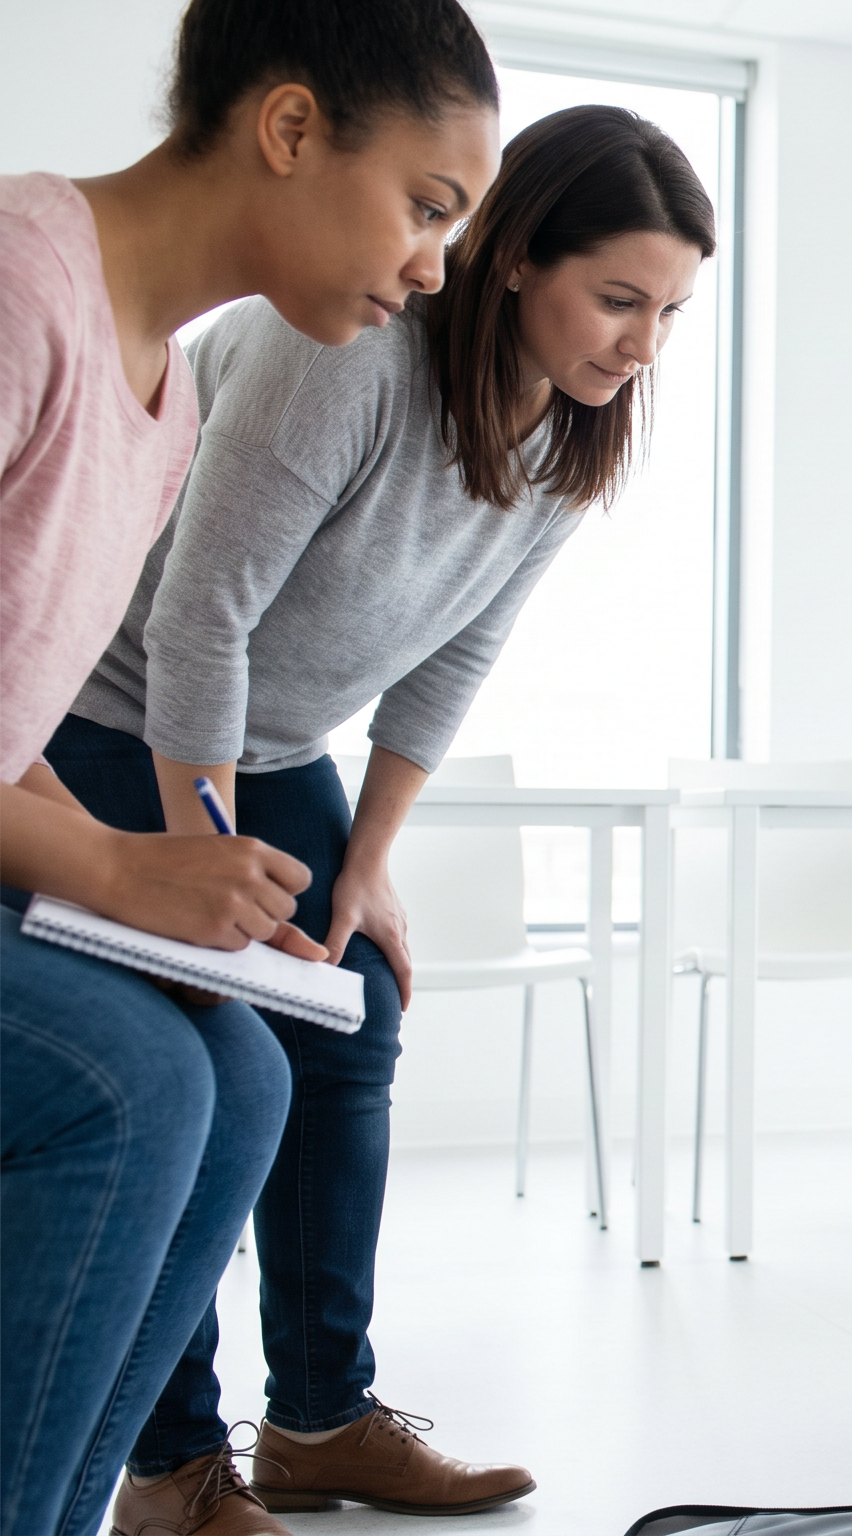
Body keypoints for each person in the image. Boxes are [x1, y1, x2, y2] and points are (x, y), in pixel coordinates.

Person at [36, 104, 713, 1535]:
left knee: (354, 1012)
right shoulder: (341, 354)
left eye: (671, 311)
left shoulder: (566, 430)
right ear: (516, 256)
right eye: (618, 299)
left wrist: (370, 859)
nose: (642, 344)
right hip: (106, 719)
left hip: (277, 742)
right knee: (205, 1042)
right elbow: (196, 620)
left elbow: (455, 655)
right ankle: (169, 1465)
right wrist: (193, 862)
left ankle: (322, 1419)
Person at [0, 5, 501, 1536]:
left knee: (243, 1067)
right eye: (425, 207)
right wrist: (109, 864)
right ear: (289, 129)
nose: (433, 269)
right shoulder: (25, 288)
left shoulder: (164, 395)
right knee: (142, 1076)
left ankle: (92, 1504)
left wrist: (162, 877)